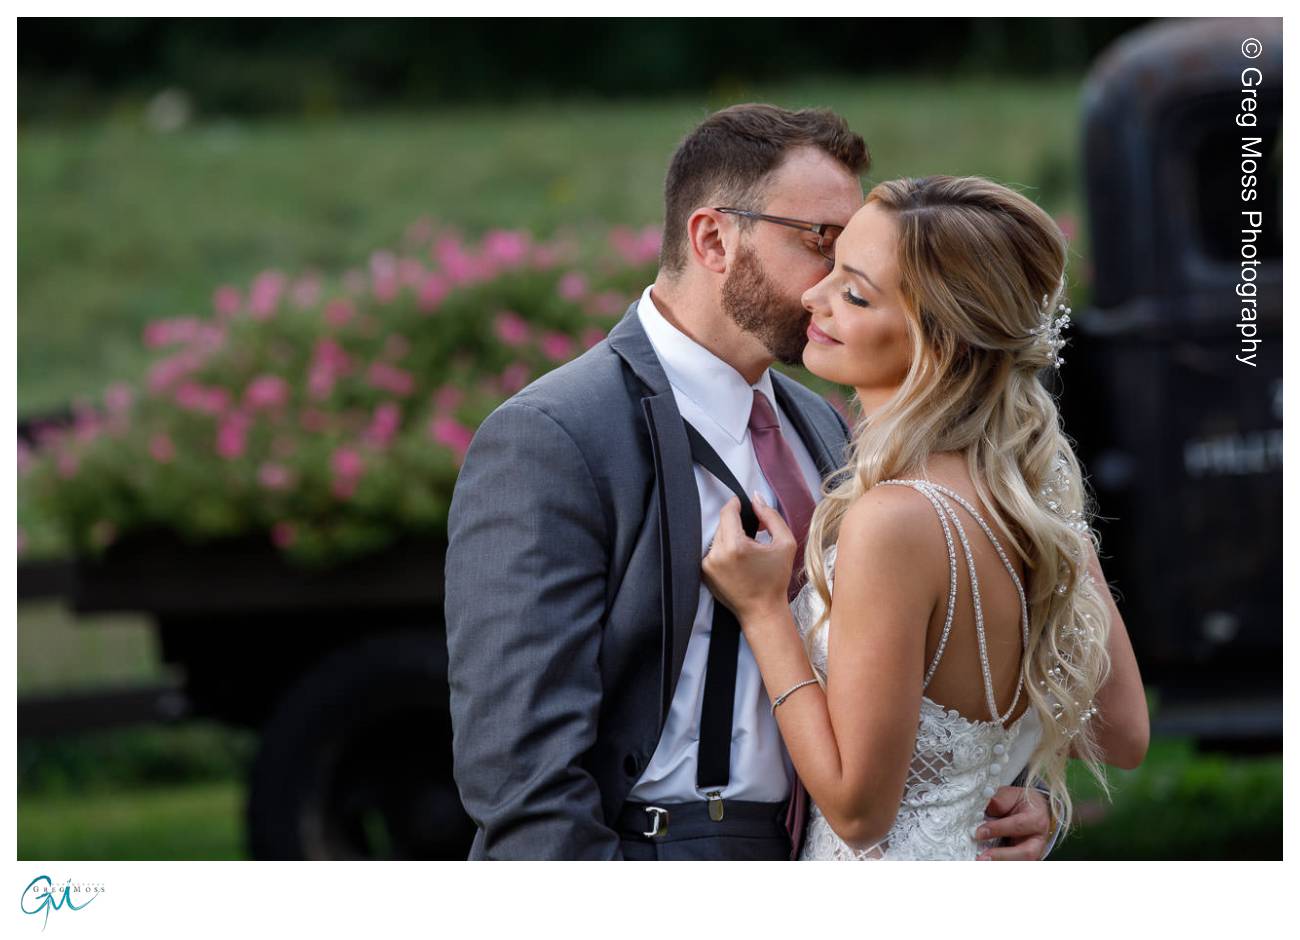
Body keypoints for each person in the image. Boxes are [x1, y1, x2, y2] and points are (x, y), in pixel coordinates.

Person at [445, 106, 1054, 860]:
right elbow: (522, 774)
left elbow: (941, 652)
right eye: (821, 242)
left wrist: (1010, 791)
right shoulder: (552, 437)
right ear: (712, 239)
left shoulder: (827, 424)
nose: (836, 282)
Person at [700, 175, 1150, 860]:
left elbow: (859, 815)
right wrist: (1020, 797)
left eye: (854, 294)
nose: (814, 297)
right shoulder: (1035, 493)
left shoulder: (894, 521)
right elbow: (1125, 734)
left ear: (942, 342)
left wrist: (764, 614)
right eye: (831, 268)